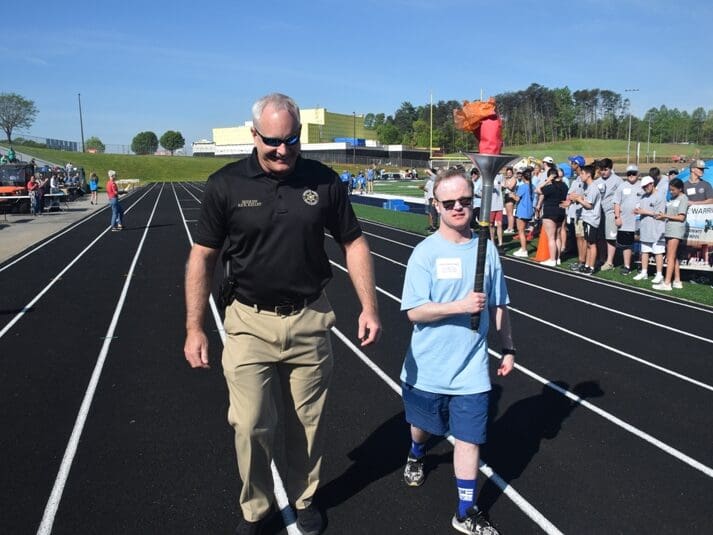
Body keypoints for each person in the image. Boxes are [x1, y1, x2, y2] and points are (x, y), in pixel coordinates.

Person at [183, 93, 381, 535]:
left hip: (311, 318)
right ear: (254, 134)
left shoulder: (325, 181)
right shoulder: (226, 184)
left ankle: (304, 497)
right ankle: (255, 508)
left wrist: (369, 306)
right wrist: (195, 326)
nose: (282, 150)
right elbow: (202, 257)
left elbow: (354, 242)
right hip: (249, 321)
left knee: (307, 422)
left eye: (291, 139)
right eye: (272, 140)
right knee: (251, 423)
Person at [400, 167, 515, 535]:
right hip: (428, 367)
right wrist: (460, 306)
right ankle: (416, 453)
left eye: (465, 201)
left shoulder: (488, 249)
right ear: (436, 205)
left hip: (471, 369)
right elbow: (414, 311)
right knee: (422, 428)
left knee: (469, 439)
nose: (458, 208)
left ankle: (465, 511)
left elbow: (499, 304)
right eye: (449, 203)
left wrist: (508, 347)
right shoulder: (424, 253)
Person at [653, 178, 688, 291]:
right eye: (670, 190)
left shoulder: (683, 198)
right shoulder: (672, 198)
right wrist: (662, 216)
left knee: (670, 257)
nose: (671, 192)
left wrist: (666, 216)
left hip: (676, 230)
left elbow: (681, 217)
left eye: (673, 190)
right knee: (673, 256)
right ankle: (677, 280)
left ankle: (667, 283)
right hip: (669, 229)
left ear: (680, 188)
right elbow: (669, 214)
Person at [632, 176, 665, 283]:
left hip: (657, 229)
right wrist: (637, 211)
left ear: (652, 184)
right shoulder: (643, 197)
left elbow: (660, 214)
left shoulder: (660, 196)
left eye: (646, 186)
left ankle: (659, 274)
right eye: (643, 187)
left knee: (658, 252)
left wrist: (643, 212)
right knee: (645, 251)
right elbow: (640, 210)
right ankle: (644, 272)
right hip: (645, 228)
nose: (645, 188)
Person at [569, 165, 601, 275]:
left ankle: (591, 267)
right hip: (587, 218)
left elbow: (589, 205)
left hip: (592, 219)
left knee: (592, 244)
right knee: (588, 243)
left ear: (588, 174)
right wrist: (578, 198)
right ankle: (587, 265)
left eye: (582, 173)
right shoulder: (588, 187)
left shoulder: (592, 188)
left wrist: (578, 199)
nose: (580, 175)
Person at [613, 169, 645, 274]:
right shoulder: (622, 186)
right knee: (626, 245)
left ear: (638, 174)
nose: (631, 175)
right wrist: (617, 217)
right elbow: (616, 202)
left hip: (640, 221)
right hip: (625, 221)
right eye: (629, 174)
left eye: (633, 173)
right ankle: (627, 266)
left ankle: (641, 266)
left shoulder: (642, 186)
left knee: (641, 244)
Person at [537, 167, 569, 266]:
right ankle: (558, 258)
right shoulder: (564, 186)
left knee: (551, 237)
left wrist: (547, 181)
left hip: (550, 212)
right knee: (557, 237)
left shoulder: (550, 187)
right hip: (561, 212)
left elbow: (537, 189)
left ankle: (552, 260)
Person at [595, 158, 623, 270]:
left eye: (605, 170)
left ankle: (610, 262)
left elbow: (621, 198)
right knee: (601, 237)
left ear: (610, 169)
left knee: (610, 238)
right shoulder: (597, 181)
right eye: (601, 170)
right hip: (599, 212)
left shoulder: (618, 181)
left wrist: (618, 215)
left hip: (611, 212)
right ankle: (602, 258)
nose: (603, 172)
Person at [510, 167, 534, 257]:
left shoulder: (523, 187)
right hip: (529, 211)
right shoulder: (532, 186)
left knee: (521, 231)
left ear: (524, 177)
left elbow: (517, 198)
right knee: (523, 230)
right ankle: (523, 247)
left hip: (522, 211)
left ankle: (524, 250)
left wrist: (512, 195)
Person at [502, 167, 517, 234]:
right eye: (507, 173)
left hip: (511, 196)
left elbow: (511, 187)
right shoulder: (507, 179)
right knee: (508, 213)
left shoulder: (513, 179)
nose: (509, 174)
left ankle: (511, 228)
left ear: (512, 173)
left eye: (510, 173)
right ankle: (509, 227)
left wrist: (505, 185)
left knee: (510, 214)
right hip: (506, 196)